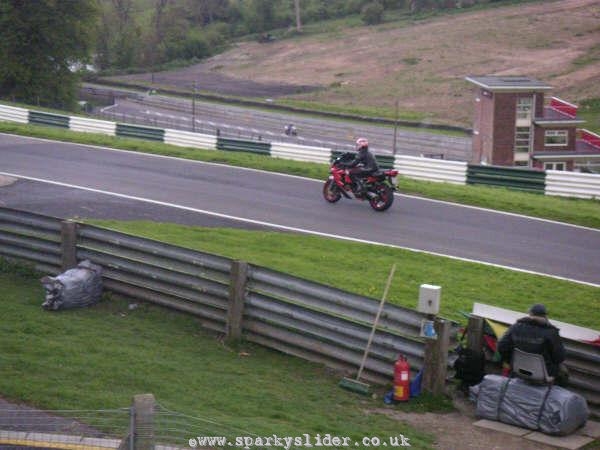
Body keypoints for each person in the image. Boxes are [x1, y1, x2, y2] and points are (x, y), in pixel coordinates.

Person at [497, 303, 568, 386]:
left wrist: (511, 361)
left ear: (530, 313)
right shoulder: (551, 332)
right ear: (545, 316)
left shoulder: (515, 327)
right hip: (544, 375)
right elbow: (560, 357)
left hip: (517, 369)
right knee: (564, 372)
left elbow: (501, 346)